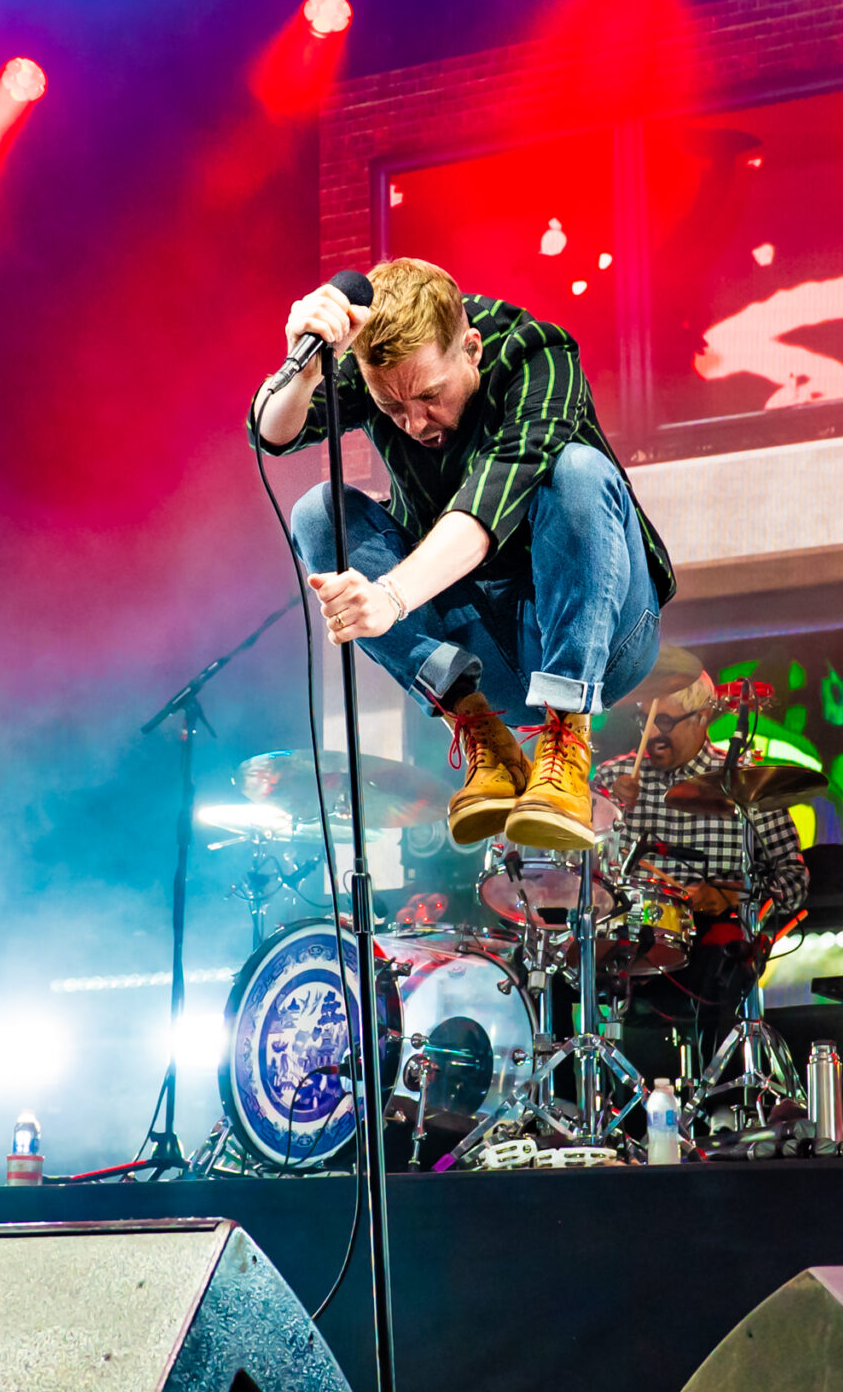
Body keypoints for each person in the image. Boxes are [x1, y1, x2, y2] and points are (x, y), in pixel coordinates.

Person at [250, 257, 671, 851]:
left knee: (578, 468)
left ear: (471, 348)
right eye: (393, 409)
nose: (416, 422)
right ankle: (481, 734)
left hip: (606, 641)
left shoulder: (537, 356)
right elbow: (272, 432)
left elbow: (491, 500)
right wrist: (301, 367)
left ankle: (566, 738)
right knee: (318, 514)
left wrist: (391, 597)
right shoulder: (383, 369)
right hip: (487, 650)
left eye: (429, 396)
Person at [597, 672, 809, 1074]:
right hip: (633, 931)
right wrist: (608, 813)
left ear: (702, 718)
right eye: (645, 722)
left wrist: (731, 897)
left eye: (665, 722)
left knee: (725, 959)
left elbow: (794, 877)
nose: (652, 734)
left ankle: (719, 1093)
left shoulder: (747, 782)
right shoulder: (613, 778)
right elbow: (582, 873)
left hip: (710, 937)